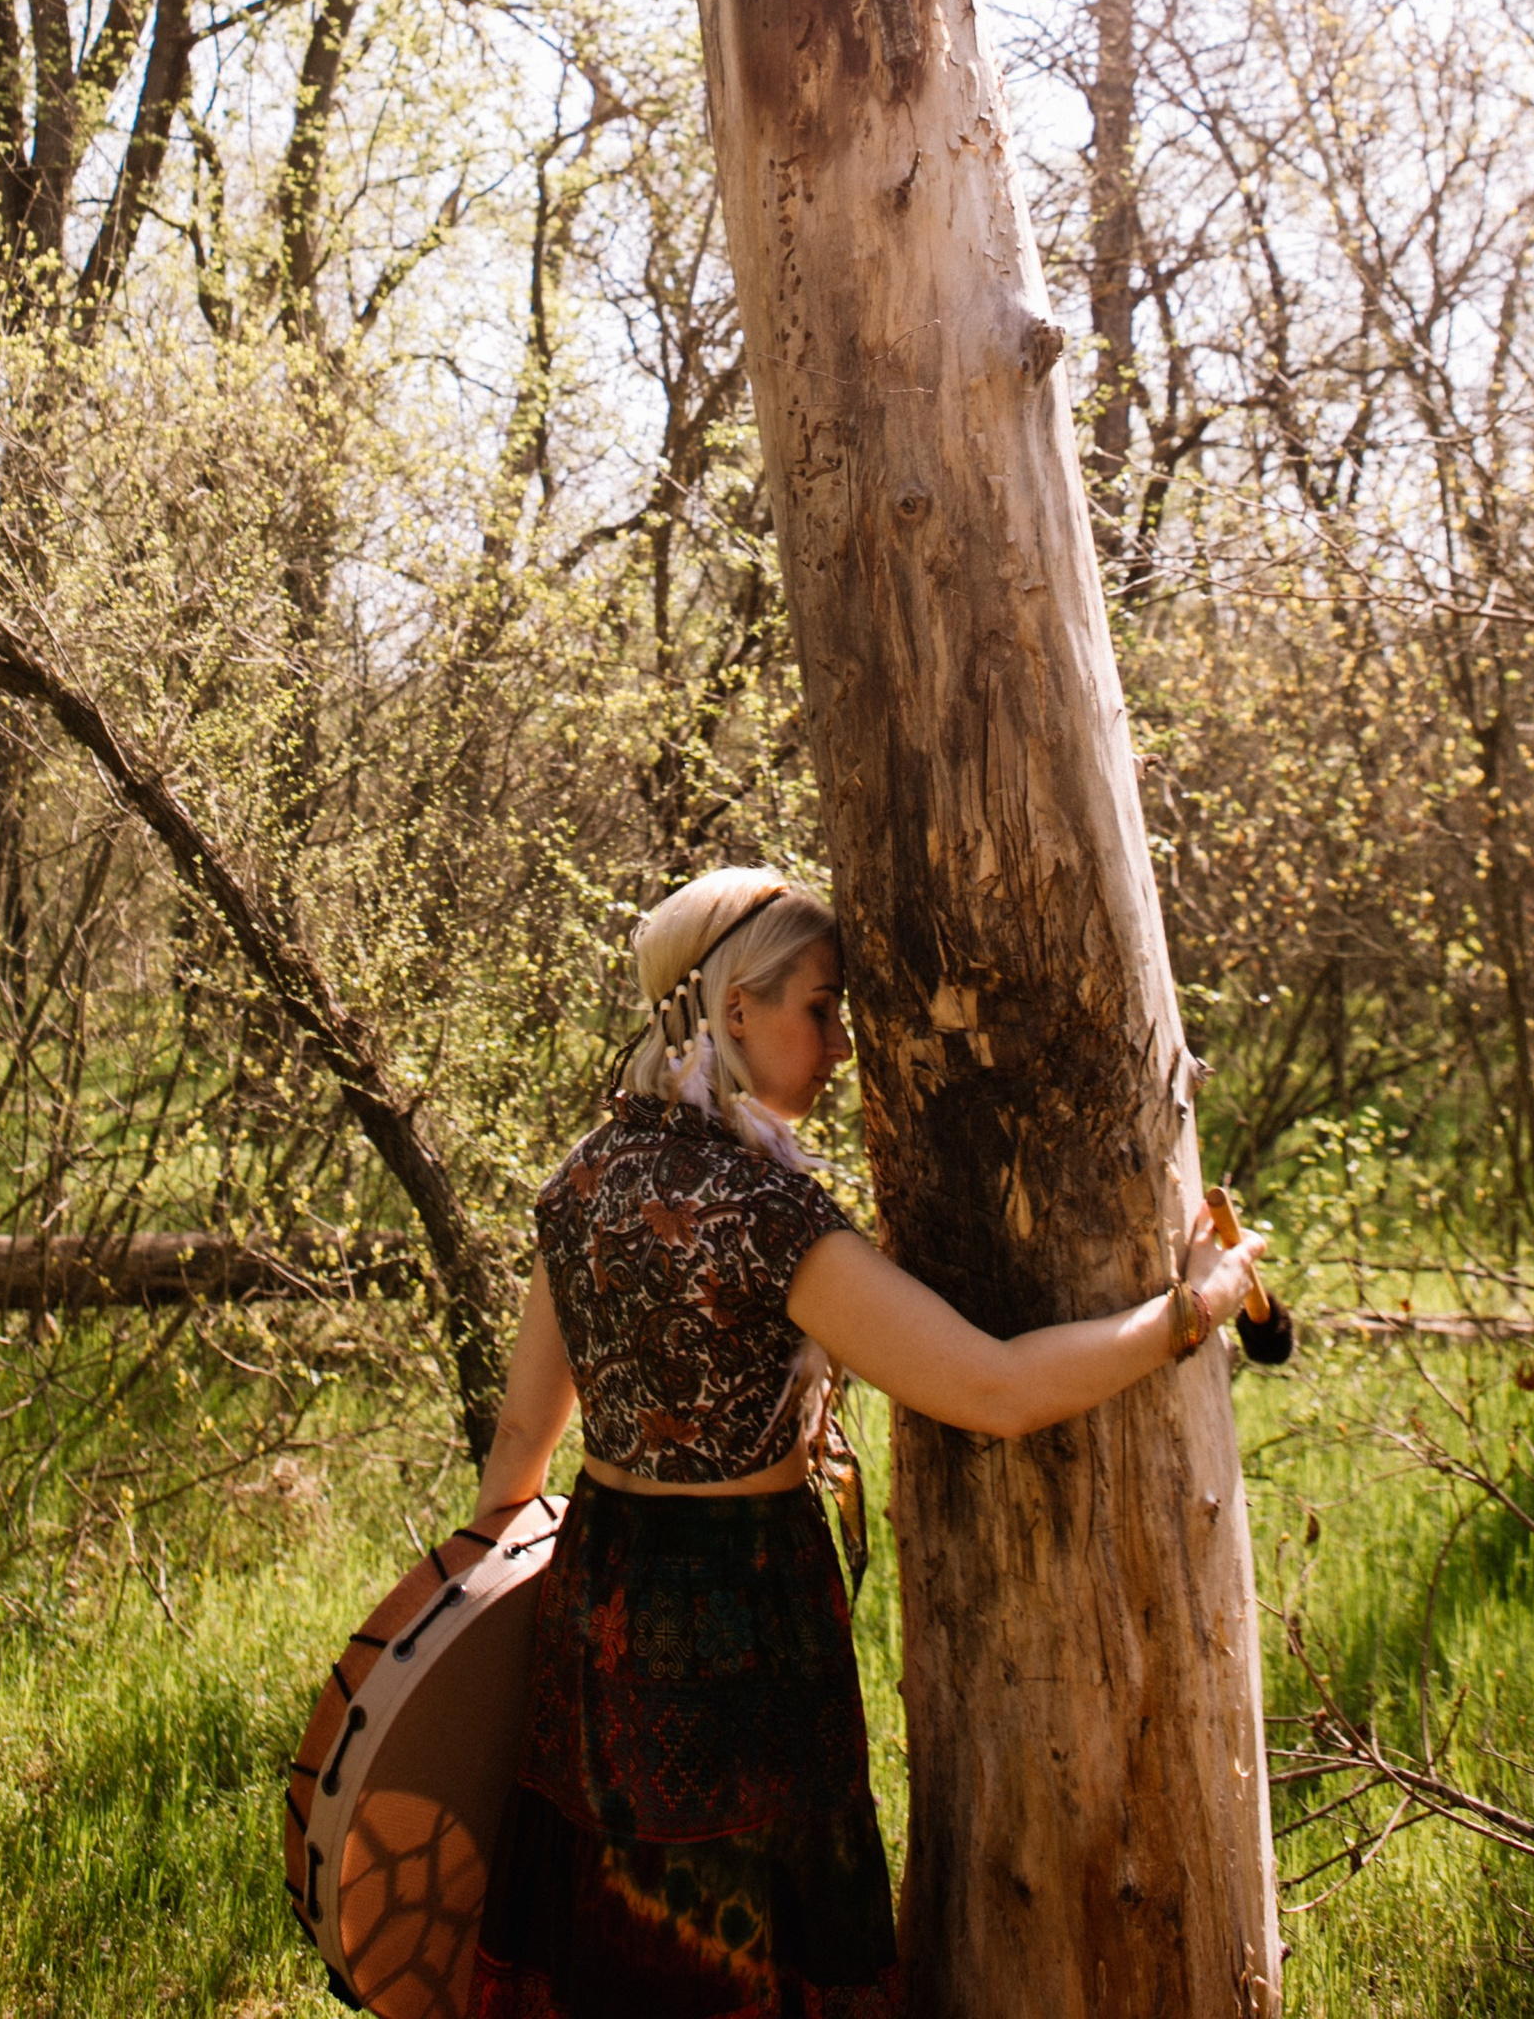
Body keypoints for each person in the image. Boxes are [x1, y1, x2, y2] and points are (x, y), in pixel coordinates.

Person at [465, 863, 1267, 2019]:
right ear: (735, 1009)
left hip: (596, 1606)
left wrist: (489, 1650)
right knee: (754, 1947)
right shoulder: (767, 1216)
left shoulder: (580, 1179)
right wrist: (1194, 1308)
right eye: (821, 1007)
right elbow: (995, 1389)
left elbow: (515, 1452)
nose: (842, 1045)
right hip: (744, 1617)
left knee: (611, 1936)